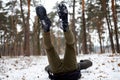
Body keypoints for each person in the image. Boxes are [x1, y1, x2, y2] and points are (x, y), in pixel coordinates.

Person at [36, 3, 92, 80]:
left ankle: (55, 27)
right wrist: (82, 61)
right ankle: (49, 29)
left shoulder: (77, 64)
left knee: (69, 45)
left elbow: (89, 63)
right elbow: (89, 63)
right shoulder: (77, 64)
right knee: (50, 49)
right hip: (63, 71)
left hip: (64, 71)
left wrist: (82, 62)